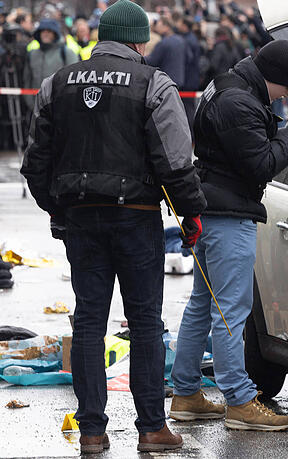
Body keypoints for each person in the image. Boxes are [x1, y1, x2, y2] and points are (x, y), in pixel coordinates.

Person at [20, 0, 206, 453]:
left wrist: (58, 209)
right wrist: (190, 213)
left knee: (88, 323)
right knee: (144, 323)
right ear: (139, 40)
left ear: (102, 36)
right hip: (137, 218)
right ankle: (151, 429)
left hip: (81, 218)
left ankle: (91, 432)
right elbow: (176, 161)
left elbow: (35, 162)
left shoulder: (57, 82)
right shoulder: (153, 83)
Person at [169, 40, 288, 432]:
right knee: (230, 311)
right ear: (274, 78)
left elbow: (245, 137)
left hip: (210, 208)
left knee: (203, 305)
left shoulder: (230, 86)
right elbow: (260, 164)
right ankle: (239, 401)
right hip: (228, 215)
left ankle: (186, 393)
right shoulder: (238, 102)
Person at [23, 18, 78, 98]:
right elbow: (27, 80)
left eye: (49, 31)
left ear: (55, 34)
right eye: (43, 31)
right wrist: (31, 103)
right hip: (37, 106)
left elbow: (74, 80)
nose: (45, 34)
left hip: (60, 105)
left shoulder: (66, 53)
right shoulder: (32, 54)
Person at [146, 16, 185, 86]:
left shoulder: (163, 43)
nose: (156, 28)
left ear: (166, 27)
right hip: (179, 79)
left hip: (166, 81)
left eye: (159, 26)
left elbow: (152, 61)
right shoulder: (180, 40)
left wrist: (141, 57)